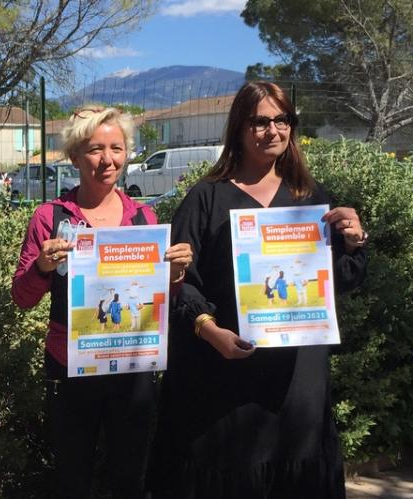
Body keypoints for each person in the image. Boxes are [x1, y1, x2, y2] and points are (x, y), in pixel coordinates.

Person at [148, 81, 367, 498]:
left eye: (281, 120)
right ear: (239, 129)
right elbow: (178, 286)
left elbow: (342, 281)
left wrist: (354, 242)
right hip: (224, 376)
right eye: (260, 121)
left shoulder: (309, 196)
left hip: (297, 383)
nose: (272, 131)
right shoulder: (206, 198)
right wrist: (211, 332)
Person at [11, 106, 192, 499]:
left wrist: (175, 275)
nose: (106, 160)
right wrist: (42, 265)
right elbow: (22, 298)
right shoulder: (51, 217)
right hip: (70, 368)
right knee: (71, 480)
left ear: (127, 153)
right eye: (94, 149)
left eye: (116, 148)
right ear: (75, 155)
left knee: (129, 480)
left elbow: (161, 300)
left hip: (133, 368)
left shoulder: (145, 218)